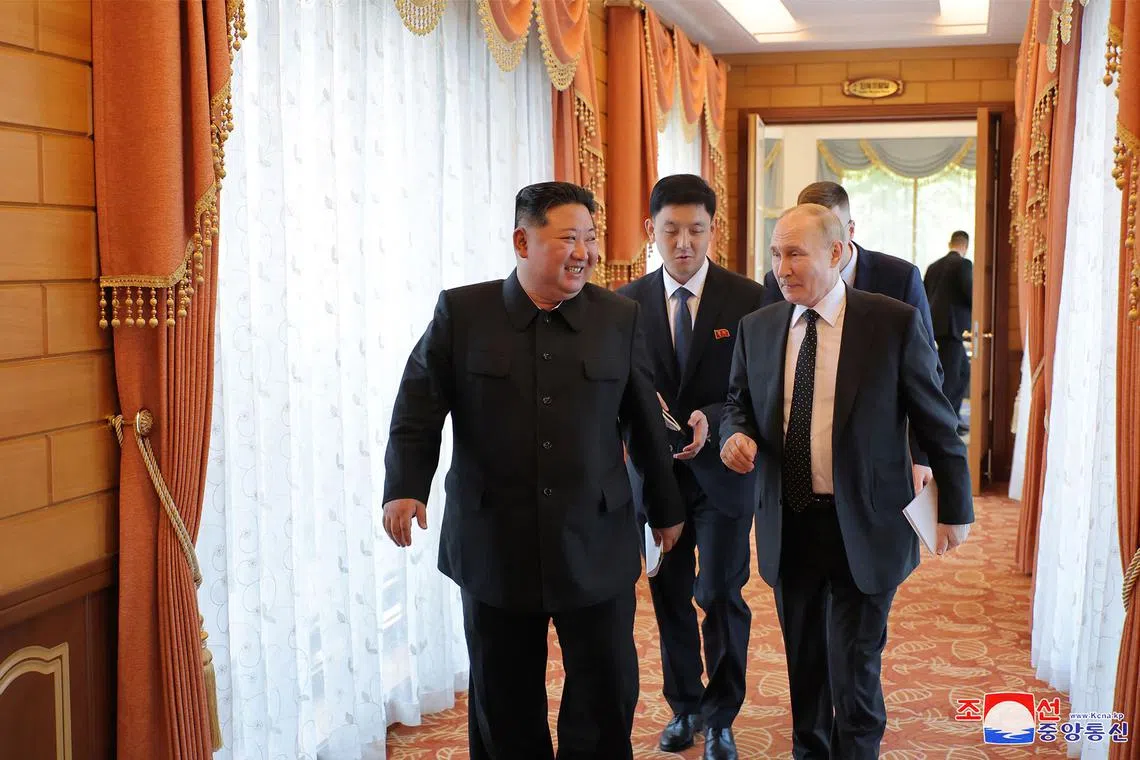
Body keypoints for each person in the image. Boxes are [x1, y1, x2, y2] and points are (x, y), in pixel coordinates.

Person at [382, 181, 686, 760]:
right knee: (503, 697)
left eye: (591, 239)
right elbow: (417, 404)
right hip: (495, 539)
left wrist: (666, 510)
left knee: (606, 689)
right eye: (569, 237)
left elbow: (644, 420)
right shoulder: (463, 312)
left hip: (594, 538)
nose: (585, 252)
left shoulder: (619, 317)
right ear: (522, 240)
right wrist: (404, 488)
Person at [721, 204, 973, 760]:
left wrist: (954, 508)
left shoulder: (891, 322)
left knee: (854, 669)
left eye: (794, 254)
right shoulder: (758, 328)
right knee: (805, 665)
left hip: (866, 523)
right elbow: (738, 405)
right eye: (775, 254)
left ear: (835, 253)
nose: (781, 268)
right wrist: (731, 435)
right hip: (790, 522)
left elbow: (937, 422)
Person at [618, 174, 766, 760]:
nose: (684, 242)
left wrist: (712, 416)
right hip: (656, 479)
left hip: (725, 474)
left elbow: (761, 391)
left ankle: (722, 715)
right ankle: (684, 707)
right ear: (649, 230)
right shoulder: (624, 304)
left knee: (722, 593)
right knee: (669, 595)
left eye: (696, 230)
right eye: (671, 229)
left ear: (714, 230)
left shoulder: (750, 298)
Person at [762, 181, 941, 496]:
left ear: (850, 231)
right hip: (799, 473)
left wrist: (921, 455)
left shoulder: (898, 278)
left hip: (878, 465)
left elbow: (928, 375)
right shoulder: (778, 283)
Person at [924, 230, 974, 432]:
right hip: (952, 327)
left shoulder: (934, 266)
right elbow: (969, 292)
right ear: (966, 246)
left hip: (934, 325)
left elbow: (925, 293)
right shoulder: (964, 264)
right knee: (953, 376)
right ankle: (945, 422)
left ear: (950, 243)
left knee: (962, 372)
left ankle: (952, 417)